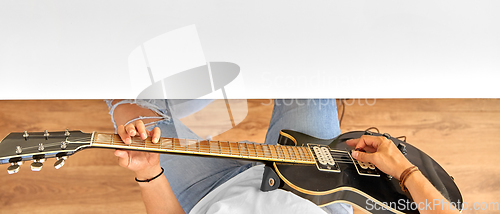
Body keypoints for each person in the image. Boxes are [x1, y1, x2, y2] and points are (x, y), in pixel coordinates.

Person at [107, 99, 460, 214]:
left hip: (207, 194)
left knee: (136, 107)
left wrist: (149, 171)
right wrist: (404, 171)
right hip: (319, 193)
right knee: (310, 57)